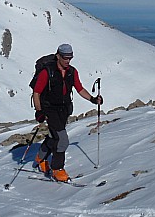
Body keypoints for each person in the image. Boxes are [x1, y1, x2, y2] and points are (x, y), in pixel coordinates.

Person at [32, 43, 103, 182]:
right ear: (58, 56)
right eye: (65, 58)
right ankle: (57, 169)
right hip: (50, 109)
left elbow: (79, 88)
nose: (68, 61)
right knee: (62, 140)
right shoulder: (47, 72)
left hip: (64, 109)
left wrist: (93, 99)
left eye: (70, 58)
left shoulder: (72, 71)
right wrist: (39, 111)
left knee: (54, 137)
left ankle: (40, 158)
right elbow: (37, 93)